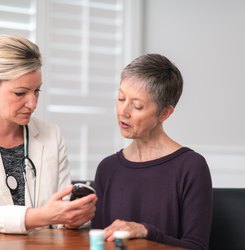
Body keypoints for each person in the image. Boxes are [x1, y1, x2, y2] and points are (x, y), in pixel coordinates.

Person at [0, 34, 97, 233]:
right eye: (20, 93)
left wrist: (73, 217)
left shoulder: (52, 135)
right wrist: (44, 216)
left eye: (37, 91)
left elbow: (61, 213)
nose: (32, 103)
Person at [91, 54, 212, 250]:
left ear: (165, 113)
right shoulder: (107, 168)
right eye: (121, 98)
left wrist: (147, 232)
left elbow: (196, 247)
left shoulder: (191, 167)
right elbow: (99, 243)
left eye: (137, 106)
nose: (123, 111)